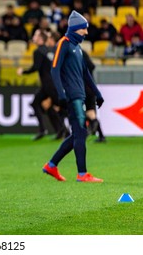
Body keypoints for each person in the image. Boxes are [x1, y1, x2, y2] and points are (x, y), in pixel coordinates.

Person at [42, 10, 104, 183]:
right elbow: (54, 69)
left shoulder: (77, 47)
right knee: (81, 133)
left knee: (78, 133)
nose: (86, 32)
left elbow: (85, 73)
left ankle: (52, 165)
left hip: (79, 95)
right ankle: (82, 174)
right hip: (72, 96)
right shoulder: (65, 43)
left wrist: (97, 94)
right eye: (84, 29)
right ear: (76, 29)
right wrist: (61, 93)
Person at [17, 29, 66, 140]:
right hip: (52, 84)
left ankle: (60, 130)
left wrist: (23, 72)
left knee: (59, 107)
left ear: (40, 39)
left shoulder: (38, 51)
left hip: (48, 85)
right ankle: (57, 130)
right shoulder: (50, 50)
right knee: (39, 104)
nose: (33, 37)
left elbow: (36, 67)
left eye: (35, 35)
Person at [82, 49, 106, 143]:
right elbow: (92, 66)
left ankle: (91, 127)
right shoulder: (82, 52)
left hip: (84, 87)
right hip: (90, 87)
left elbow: (91, 66)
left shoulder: (76, 52)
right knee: (91, 112)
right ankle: (101, 136)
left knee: (80, 111)